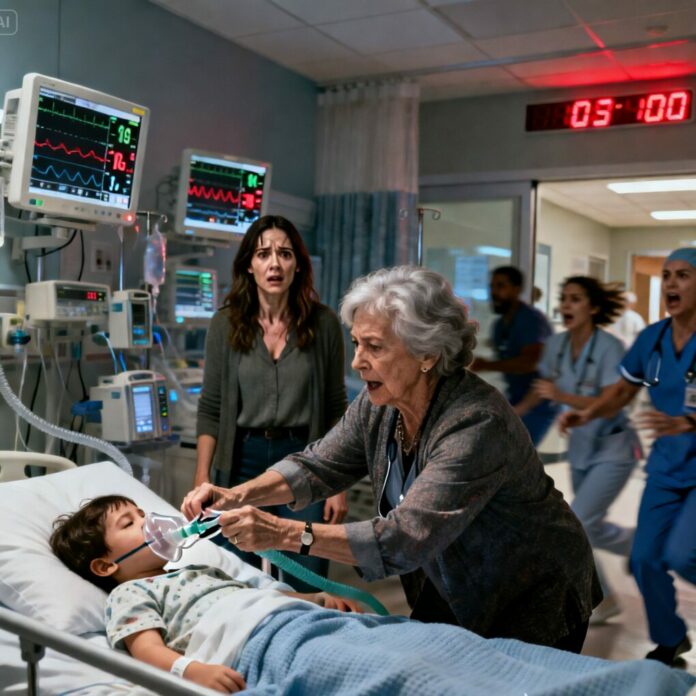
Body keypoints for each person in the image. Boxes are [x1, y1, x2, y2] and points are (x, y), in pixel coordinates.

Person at [183, 266, 601, 652]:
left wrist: (279, 533)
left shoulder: (476, 423)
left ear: (427, 354)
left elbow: (404, 537)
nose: (357, 361)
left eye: (375, 347)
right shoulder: (379, 405)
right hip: (452, 572)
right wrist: (235, 495)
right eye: (356, 343)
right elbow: (317, 465)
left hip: (531, 588)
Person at [49, 495, 696, 696]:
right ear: (106, 564)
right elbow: (144, 648)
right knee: (415, 673)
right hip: (269, 653)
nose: (152, 522)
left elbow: (259, 592)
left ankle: (630, 685)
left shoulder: (196, 568)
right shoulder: (130, 596)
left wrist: (318, 601)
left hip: (305, 624)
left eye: (143, 510)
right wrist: (192, 671)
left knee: (452, 645)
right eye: (131, 523)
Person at [195, 214, 348, 591]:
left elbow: (335, 408)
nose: (274, 263)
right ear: (249, 265)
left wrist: (338, 485)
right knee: (235, 576)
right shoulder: (225, 324)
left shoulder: (324, 324)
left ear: (298, 265)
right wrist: (203, 478)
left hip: (306, 460)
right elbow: (211, 407)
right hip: (241, 460)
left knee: (306, 574)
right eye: (264, 254)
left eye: (285, 253)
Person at [559, 248, 696, 666]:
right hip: (667, 467)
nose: (671, 283)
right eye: (667, 275)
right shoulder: (652, 339)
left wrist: (690, 422)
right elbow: (621, 391)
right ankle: (671, 638)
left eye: (683, 275)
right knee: (643, 559)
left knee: (681, 556)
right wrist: (588, 413)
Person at [514, 276, 641, 624]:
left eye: (575, 299)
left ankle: (605, 598)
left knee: (579, 521)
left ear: (594, 307)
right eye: (564, 298)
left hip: (614, 447)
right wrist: (512, 412)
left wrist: (563, 396)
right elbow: (542, 388)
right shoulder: (556, 345)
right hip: (581, 447)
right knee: (588, 524)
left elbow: (611, 403)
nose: (565, 305)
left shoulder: (611, 347)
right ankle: (643, 545)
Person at [470, 266, 558, 445]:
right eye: (492, 286)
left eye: (501, 286)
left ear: (517, 289)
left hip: (539, 402)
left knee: (515, 451)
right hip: (516, 396)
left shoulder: (531, 320)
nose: (494, 292)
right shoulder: (499, 325)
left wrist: (487, 365)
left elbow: (530, 363)